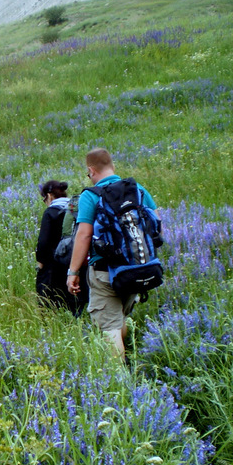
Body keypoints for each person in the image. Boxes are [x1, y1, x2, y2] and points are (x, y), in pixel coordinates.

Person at [67, 148, 159, 358]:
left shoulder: (90, 196)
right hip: (137, 268)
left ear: (91, 170)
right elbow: (156, 224)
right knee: (119, 318)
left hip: (104, 271)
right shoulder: (138, 189)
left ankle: (120, 380)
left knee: (108, 327)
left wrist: (72, 272)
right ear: (113, 166)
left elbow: (84, 235)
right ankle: (127, 355)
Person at [36, 180, 72, 308]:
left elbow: (43, 242)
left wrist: (40, 262)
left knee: (49, 301)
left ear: (49, 195)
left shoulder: (50, 212)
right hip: (73, 263)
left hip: (53, 264)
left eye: (44, 199)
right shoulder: (74, 209)